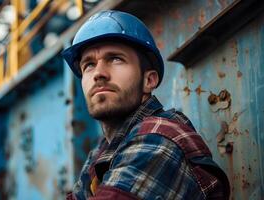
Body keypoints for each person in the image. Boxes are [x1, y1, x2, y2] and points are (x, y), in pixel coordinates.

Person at [62, 10, 230, 200]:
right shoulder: (102, 151)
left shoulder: (160, 138)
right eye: (88, 65)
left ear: (149, 80)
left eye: (116, 59)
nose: (98, 73)